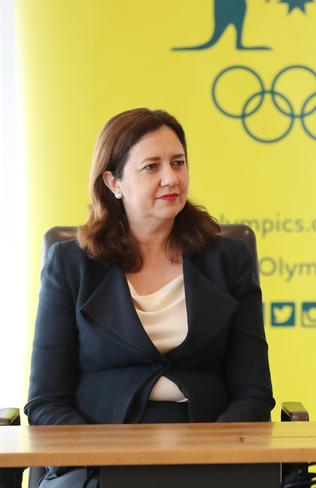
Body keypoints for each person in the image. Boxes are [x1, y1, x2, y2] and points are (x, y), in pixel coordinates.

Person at [25, 108, 274, 486]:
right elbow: (46, 402)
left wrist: (214, 453)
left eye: (178, 162)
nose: (171, 178)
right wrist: (101, 453)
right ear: (113, 182)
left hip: (210, 452)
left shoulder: (228, 259)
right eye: (151, 167)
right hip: (98, 455)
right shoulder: (71, 264)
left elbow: (253, 392)